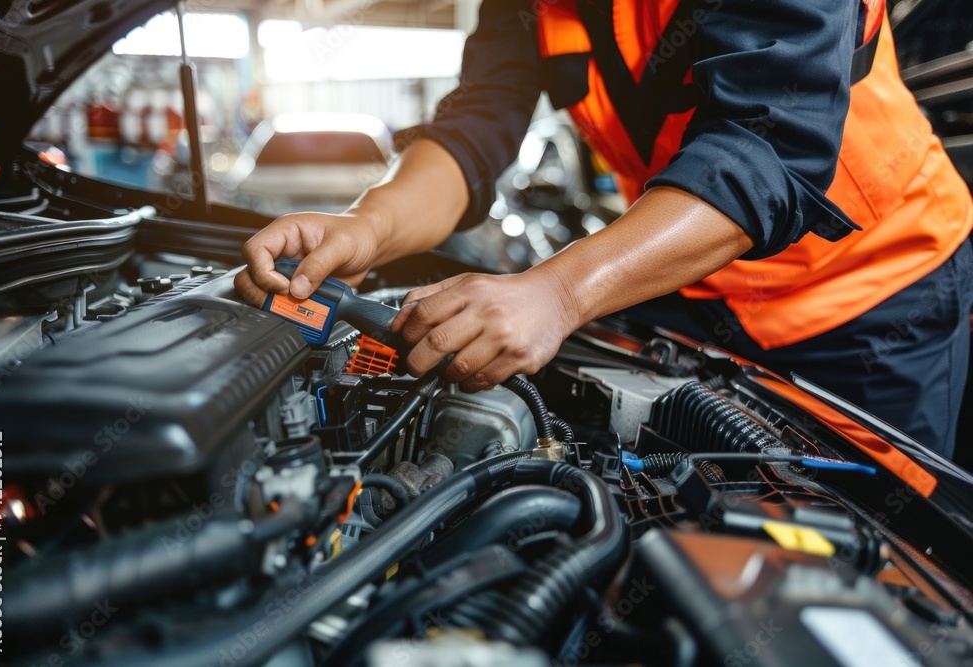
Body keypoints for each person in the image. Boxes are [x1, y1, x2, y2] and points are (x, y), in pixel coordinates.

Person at [236, 0, 973, 459]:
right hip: (685, 279)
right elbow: (477, 127)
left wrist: (557, 293)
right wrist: (368, 227)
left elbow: (767, 148)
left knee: (841, 568)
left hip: (873, 297)